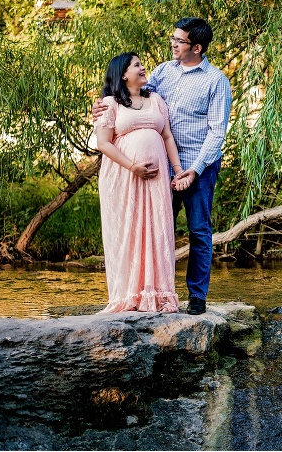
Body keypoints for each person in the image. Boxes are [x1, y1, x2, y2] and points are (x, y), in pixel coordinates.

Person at [93, 18, 233, 315]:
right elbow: (130, 95)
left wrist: (192, 170)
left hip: (197, 166)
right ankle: (146, 292)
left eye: (179, 41)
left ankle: (196, 297)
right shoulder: (163, 72)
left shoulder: (216, 81)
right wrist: (101, 104)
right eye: (173, 38)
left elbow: (217, 132)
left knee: (198, 230)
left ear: (196, 47)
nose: (173, 44)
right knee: (151, 229)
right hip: (157, 170)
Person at [95, 52, 186, 313]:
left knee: (157, 227)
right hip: (124, 177)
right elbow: (103, 143)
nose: (143, 67)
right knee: (129, 229)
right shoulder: (110, 104)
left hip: (156, 180)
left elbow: (167, 136)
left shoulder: (155, 100)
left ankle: (157, 295)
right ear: (123, 74)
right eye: (137, 65)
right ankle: (128, 296)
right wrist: (132, 166)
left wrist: (177, 170)